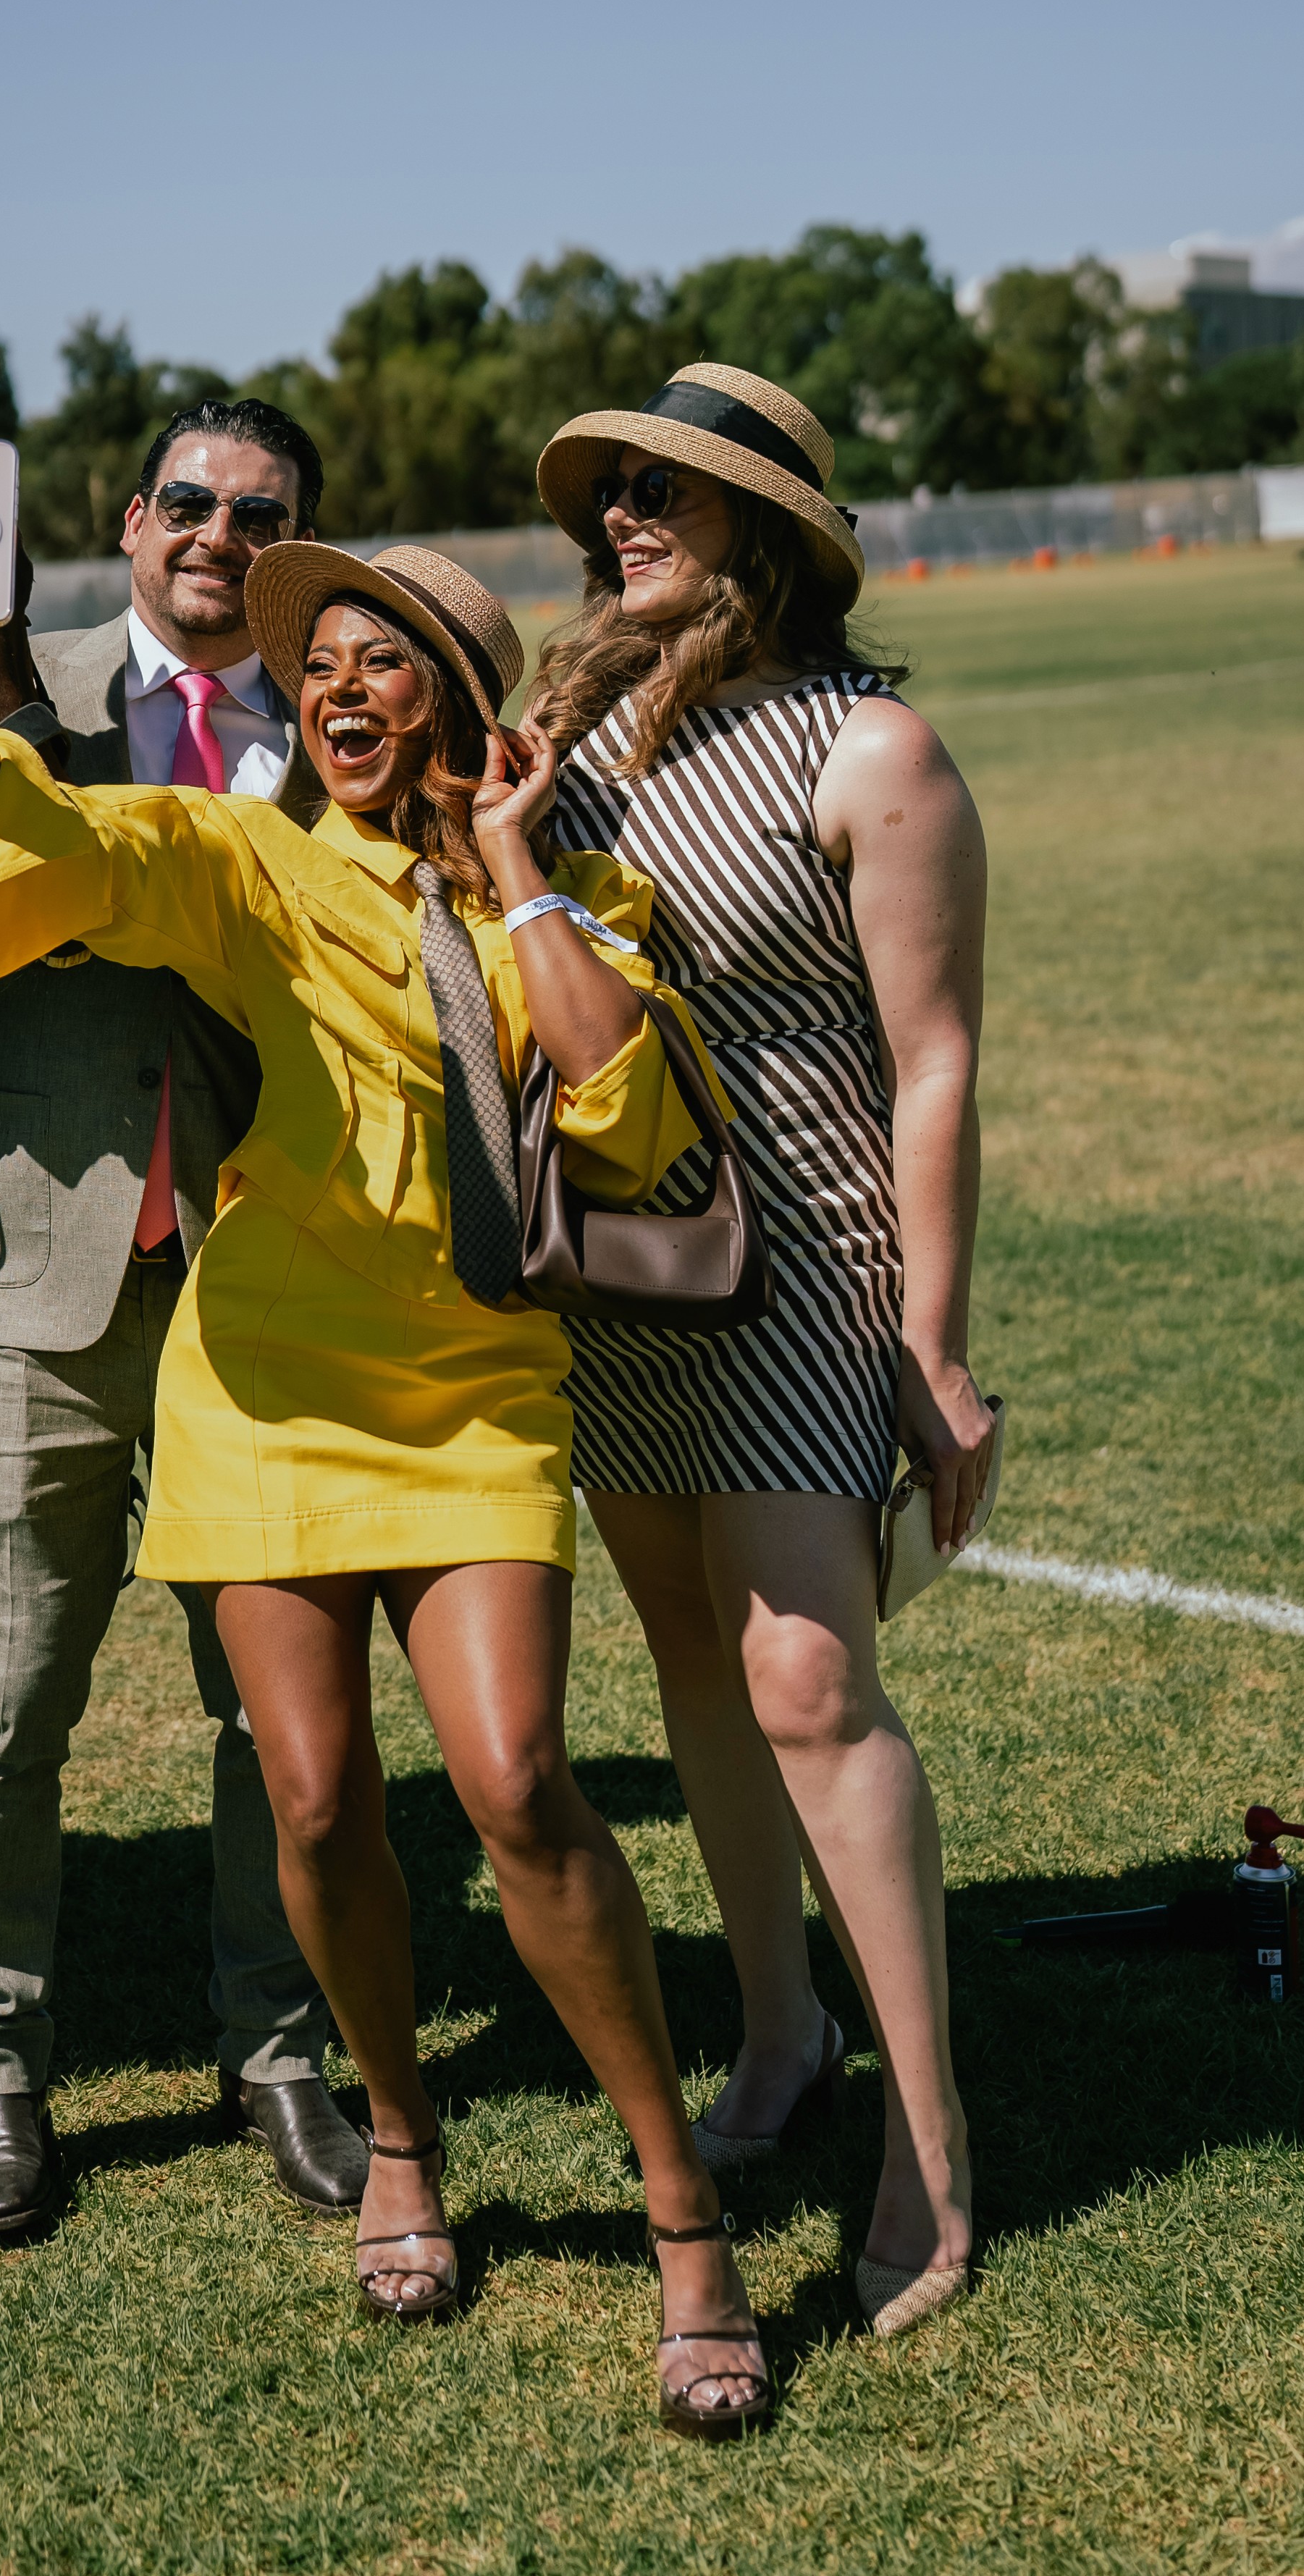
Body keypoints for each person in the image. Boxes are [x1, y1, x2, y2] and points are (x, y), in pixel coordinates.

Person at [0, 529, 773, 2439]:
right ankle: (400, 2133)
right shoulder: (251, 857)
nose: (340, 692)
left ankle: (682, 2212)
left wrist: (514, 861)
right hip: (264, 1386)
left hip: (472, 1392)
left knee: (516, 1782)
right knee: (310, 1791)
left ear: (456, 705)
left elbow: (624, 1115)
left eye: (385, 664)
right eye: (324, 667)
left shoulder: (580, 891)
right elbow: (79, 839)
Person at [0, 397, 372, 2241]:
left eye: (259, 515)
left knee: (275, 1707)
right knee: (6, 1701)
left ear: (292, 553)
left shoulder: (340, 721)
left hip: (256, 1285)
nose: (217, 533)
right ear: (130, 519)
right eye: (188, 500)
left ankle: (277, 2047)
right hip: (26, 1276)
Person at [529, 361, 993, 2339]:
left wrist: (932, 1348)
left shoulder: (870, 749)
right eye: (611, 492)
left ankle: (931, 2154)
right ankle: (784, 2029)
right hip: (617, 1265)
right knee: (693, 1670)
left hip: (805, 1257)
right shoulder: (573, 734)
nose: (621, 516)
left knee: (805, 1680)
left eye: (666, 490)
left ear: (769, 530)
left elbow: (933, 1060)